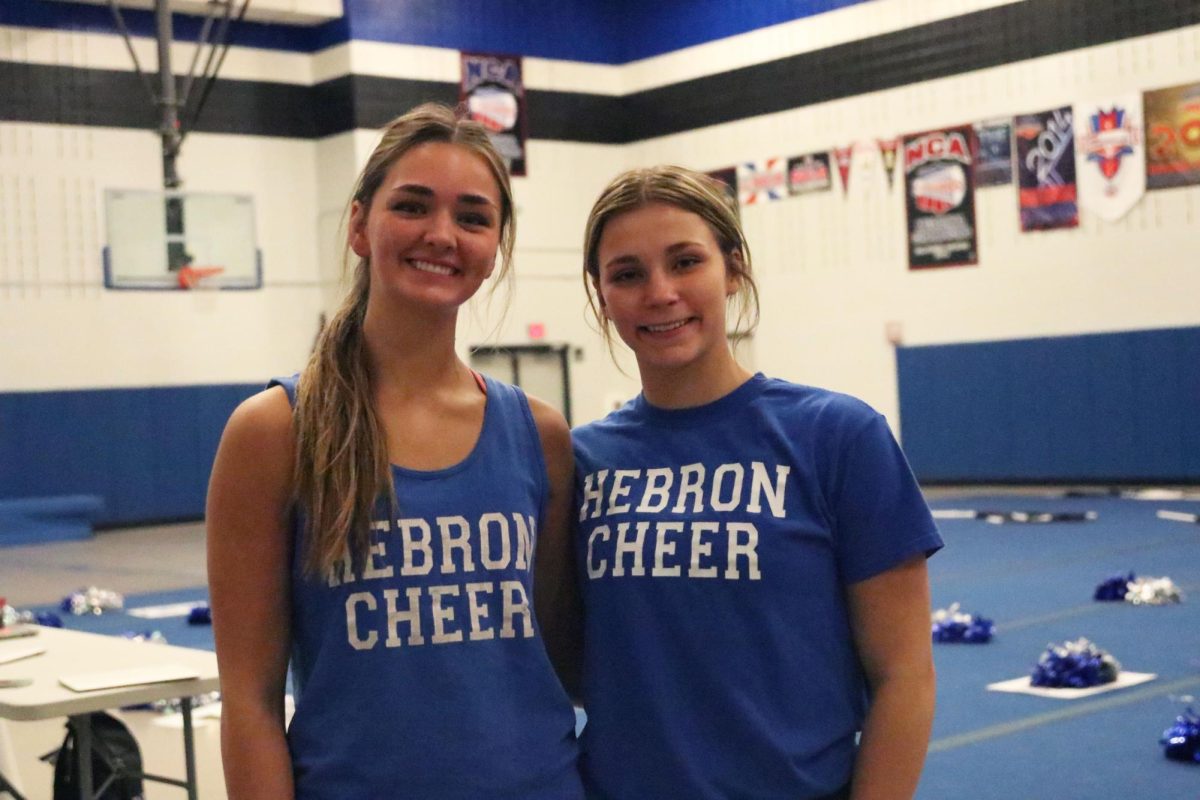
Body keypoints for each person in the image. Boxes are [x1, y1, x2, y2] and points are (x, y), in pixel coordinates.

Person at [206, 103, 583, 800]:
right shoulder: (274, 433)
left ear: (495, 246)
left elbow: (560, 653)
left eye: (473, 217)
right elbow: (250, 701)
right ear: (358, 225)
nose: (442, 234)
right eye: (413, 206)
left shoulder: (541, 436)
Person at [571, 165, 943, 799]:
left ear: (733, 269)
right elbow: (574, 665)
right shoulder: (580, 462)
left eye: (685, 262)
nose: (660, 292)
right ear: (602, 295)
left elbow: (904, 675)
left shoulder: (838, 437)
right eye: (627, 274)